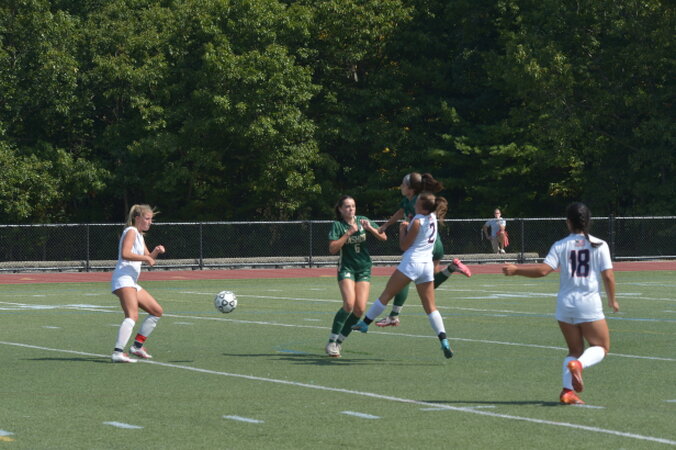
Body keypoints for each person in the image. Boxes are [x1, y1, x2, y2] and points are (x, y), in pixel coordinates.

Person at [502, 202, 619, 404]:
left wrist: (516, 270)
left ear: (568, 222)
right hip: (588, 303)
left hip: (565, 305)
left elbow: (543, 270)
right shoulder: (599, 244)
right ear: (588, 221)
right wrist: (612, 299)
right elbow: (608, 276)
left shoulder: (561, 245)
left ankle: (567, 392)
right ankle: (579, 366)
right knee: (602, 346)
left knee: (574, 350)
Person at [353, 191, 455, 359]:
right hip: (427, 265)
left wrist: (402, 230)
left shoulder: (418, 220)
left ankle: (364, 324)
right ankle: (444, 340)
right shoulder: (433, 217)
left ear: (423, 207)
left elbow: (404, 245)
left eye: (417, 203)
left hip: (412, 263)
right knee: (431, 308)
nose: (414, 204)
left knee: (386, 294)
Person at [375, 172, 471, 328]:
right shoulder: (417, 199)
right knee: (429, 284)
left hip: (424, 247)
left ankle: (394, 316)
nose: (400, 186)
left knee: (403, 280)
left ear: (411, 189)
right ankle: (451, 268)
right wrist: (386, 225)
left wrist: (402, 230)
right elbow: (401, 212)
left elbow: (413, 223)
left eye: (403, 184)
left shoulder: (418, 202)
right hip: (435, 244)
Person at [325, 196, 387, 357]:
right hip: (346, 268)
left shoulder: (363, 220)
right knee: (349, 304)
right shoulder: (338, 225)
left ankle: (339, 342)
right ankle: (332, 341)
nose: (351, 209)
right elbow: (332, 249)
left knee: (359, 310)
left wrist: (370, 228)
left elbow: (383, 237)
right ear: (340, 209)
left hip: (364, 268)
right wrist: (348, 234)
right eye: (347, 206)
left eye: (353, 206)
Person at [110, 204, 166, 363]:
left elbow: (149, 258)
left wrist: (155, 252)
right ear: (137, 218)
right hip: (123, 279)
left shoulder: (139, 235)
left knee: (156, 311)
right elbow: (125, 253)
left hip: (131, 281)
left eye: (151, 219)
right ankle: (118, 352)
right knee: (132, 315)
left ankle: (137, 346)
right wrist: (146, 258)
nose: (150, 222)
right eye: (147, 219)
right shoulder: (131, 231)